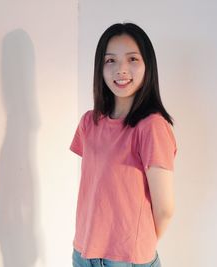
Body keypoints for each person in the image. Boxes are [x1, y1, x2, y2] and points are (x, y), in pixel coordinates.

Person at [70, 22, 177, 267]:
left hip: (127, 259)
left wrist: (136, 245)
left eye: (132, 59)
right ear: (100, 67)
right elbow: (98, 189)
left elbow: (165, 209)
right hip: (83, 253)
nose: (121, 70)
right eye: (111, 61)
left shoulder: (151, 127)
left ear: (147, 65)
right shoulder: (89, 122)